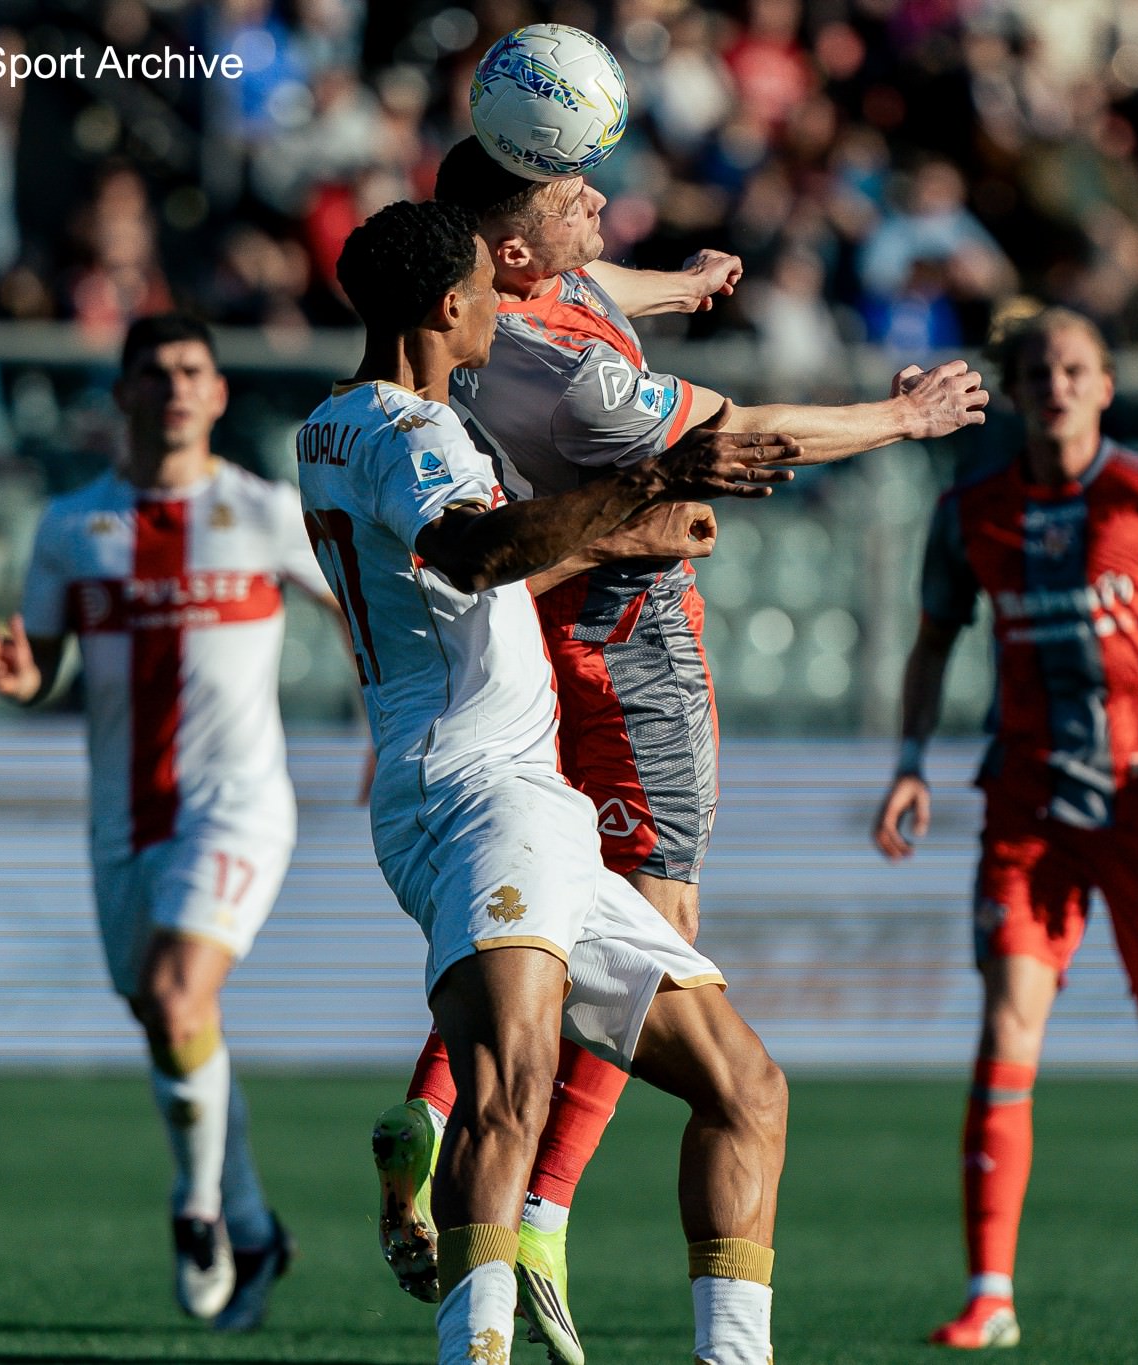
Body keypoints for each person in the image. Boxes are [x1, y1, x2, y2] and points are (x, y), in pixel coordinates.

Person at [374, 135, 989, 1364]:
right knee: (662, 934)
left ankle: (434, 1109)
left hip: (529, 648)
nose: (596, 200)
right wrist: (903, 417)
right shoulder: (572, 377)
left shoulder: (498, 323)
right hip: (633, 648)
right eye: (569, 195)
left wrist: (685, 285)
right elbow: (750, 433)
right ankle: (540, 1212)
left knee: (535, 922)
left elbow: (598, 287)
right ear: (508, 254)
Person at [301, 197, 794, 1365]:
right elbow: (473, 551)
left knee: (744, 1087)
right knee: (510, 1088)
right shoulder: (415, 437)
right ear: (446, 306)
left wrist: (614, 542)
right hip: (476, 798)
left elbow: (463, 573)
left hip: (525, 806)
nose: (502, 310)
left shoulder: (336, 425)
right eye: (486, 289)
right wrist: (652, 476)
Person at [870, 304, 1138, 1350]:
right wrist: (910, 762)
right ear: (1013, 392)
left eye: (1074, 369)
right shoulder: (971, 511)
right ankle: (989, 1294)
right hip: (1024, 809)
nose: (1055, 386)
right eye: (1037, 371)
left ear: (1104, 385)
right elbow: (931, 643)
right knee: (1005, 1033)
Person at [0, 313, 335, 1333]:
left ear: (218, 395)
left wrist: (389, 725)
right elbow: (41, 664)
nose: (176, 387)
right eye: (155, 373)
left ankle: (197, 1209)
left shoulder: (263, 513)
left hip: (238, 807)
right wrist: (20, 679)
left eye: (193, 372)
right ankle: (254, 1224)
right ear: (123, 395)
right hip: (124, 819)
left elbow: (363, 616)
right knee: (172, 1026)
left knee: (179, 999)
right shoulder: (70, 527)